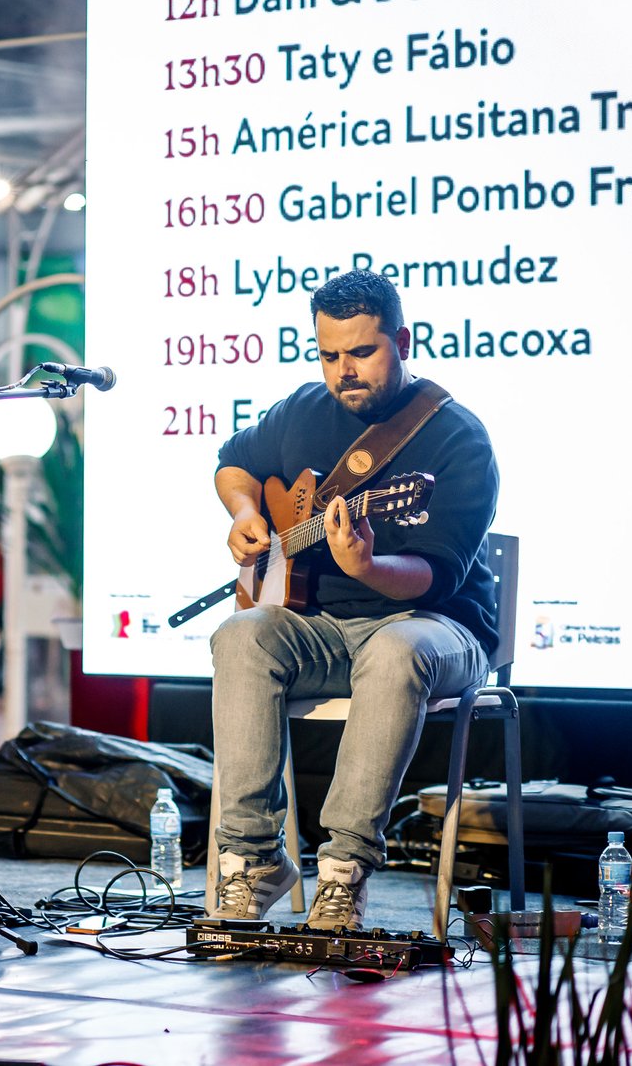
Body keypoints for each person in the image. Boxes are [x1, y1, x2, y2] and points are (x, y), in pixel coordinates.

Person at [207, 269, 498, 931]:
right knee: (240, 635)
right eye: (329, 355)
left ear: (401, 339)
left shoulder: (459, 439)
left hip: (436, 625)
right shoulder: (302, 410)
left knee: (396, 649)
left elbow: (435, 576)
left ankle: (343, 873)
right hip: (328, 629)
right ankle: (253, 860)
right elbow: (232, 460)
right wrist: (245, 510)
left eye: (361, 353)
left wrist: (367, 564)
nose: (344, 371)